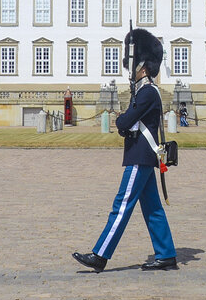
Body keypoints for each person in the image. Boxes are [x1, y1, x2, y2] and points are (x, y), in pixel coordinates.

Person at [73, 28, 177, 272]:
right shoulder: (144, 91)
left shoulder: (148, 92)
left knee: (121, 206)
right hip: (141, 154)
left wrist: (122, 120)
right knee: (152, 209)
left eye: (133, 66)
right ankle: (166, 254)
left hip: (139, 156)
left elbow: (123, 123)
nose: (130, 70)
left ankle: (101, 254)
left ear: (143, 67)